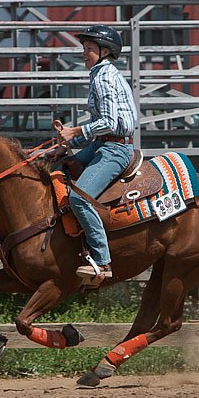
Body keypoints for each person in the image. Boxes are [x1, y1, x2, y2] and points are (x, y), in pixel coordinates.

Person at [57, 25, 137, 282]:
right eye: (84, 48)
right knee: (60, 167)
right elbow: (102, 128)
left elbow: (110, 123)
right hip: (104, 143)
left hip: (115, 148)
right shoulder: (101, 73)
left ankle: (102, 262)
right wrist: (71, 140)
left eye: (90, 49)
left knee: (79, 198)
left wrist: (75, 132)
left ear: (105, 51)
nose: (84, 53)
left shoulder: (103, 77)